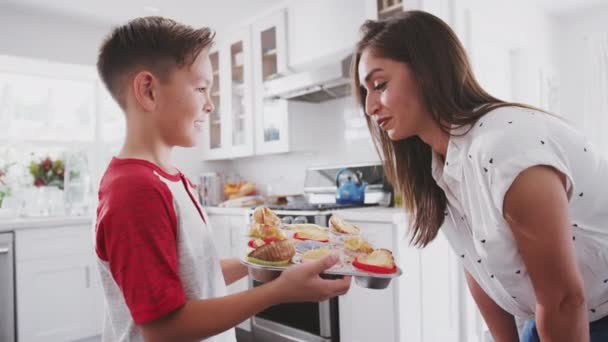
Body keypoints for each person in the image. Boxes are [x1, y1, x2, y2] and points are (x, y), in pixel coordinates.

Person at [352, 10, 608, 342]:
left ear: (427, 70)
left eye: (379, 85)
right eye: (366, 92)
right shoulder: (437, 165)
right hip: (553, 312)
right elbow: (479, 268)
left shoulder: (507, 148)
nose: (370, 107)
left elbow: (563, 301)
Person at [94, 16, 351, 342]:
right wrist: (278, 292)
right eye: (201, 88)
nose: (211, 104)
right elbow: (162, 329)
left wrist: (253, 263)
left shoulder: (170, 180)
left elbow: (193, 277)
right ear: (148, 91)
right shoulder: (134, 191)